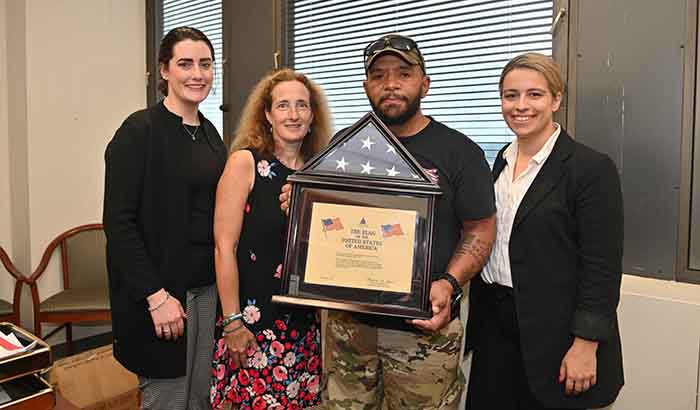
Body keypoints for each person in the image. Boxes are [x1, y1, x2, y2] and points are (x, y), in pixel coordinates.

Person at [282, 34, 497, 410]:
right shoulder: (345, 144)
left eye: (403, 73)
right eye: (379, 76)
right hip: (348, 326)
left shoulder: (460, 151)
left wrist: (449, 282)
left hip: (423, 330)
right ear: (366, 86)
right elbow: (326, 222)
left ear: (424, 84)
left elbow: (480, 228)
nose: (391, 84)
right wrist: (299, 206)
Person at [465, 53, 624, 410]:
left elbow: (602, 266)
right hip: (496, 327)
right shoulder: (499, 163)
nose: (521, 106)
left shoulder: (590, 169)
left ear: (556, 99)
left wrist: (586, 345)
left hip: (558, 334)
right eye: (511, 95)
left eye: (534, 95)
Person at [103, 26, 227, 410]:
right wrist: (156, 297)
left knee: (199, 396)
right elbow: (119, 224)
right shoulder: (139, 131)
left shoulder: (210, 135)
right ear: (164, 70)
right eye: (185, 63)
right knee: (168, 397)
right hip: (160, 293)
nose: (197, 74)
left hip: (206, 290)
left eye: (205, 64)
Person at [210, 68, 332, 410]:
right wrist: (232, 321)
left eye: (302, 106)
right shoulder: (245, 163)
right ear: (267, 114)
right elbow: (224, 246)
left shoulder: (319, 172)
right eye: (283, 106)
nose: (293, 115)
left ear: (312, 115)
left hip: (302, 326)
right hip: (252, 325)